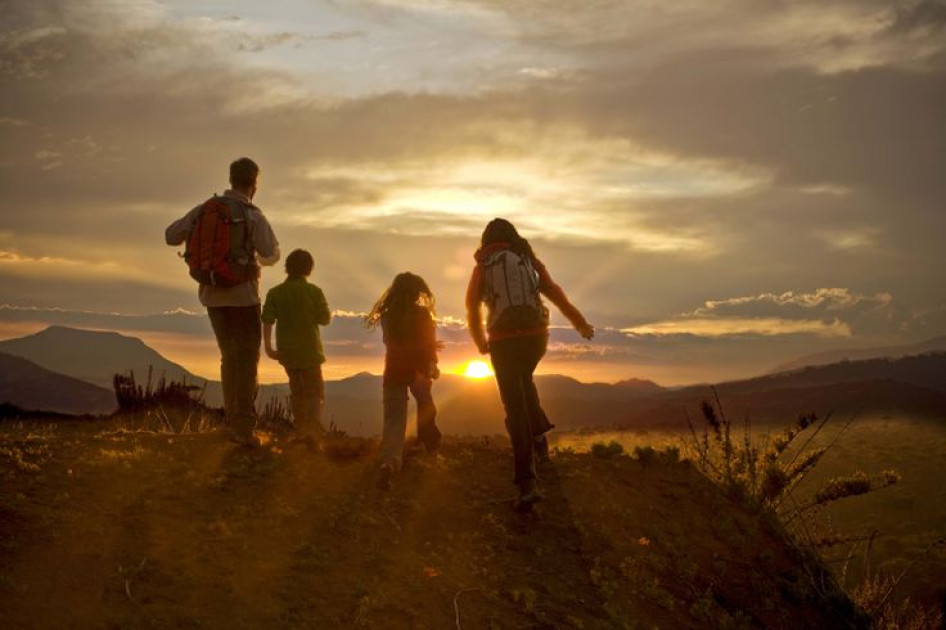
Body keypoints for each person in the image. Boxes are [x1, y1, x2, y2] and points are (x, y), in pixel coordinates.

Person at [465, 218, 594, 511]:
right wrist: (580, 323)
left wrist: (479, 342)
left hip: (504, 340)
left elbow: (471, 307)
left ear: (486, 240)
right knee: (524, 380)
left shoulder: (484, 266)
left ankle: (527, 484)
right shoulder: (528, 260)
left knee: (515, 407)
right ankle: (540, 443)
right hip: (536, 339)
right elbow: (555, 292)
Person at [165, 157, 280, 446]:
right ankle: (243, 428)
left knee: (229, 359)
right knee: (247, 362)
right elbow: (270, 254)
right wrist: (260, 259)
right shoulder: (252, 214)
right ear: (254, 183)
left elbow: (170, 236)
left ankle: (232, 422)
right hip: (244, 298)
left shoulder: (204, 209)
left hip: (212, 297)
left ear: (230, 179)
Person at [365, 272, 442, 490]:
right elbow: (429, 343)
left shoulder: (388, 316)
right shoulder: (423, 315)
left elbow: (389, 341)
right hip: (419, 369)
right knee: (426, 407)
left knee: (393, 420)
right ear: (418, 292)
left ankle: (390, 462)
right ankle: (430, 449)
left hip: (394, 370)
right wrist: (431, 363)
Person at [262, 249, 331, 449]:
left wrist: (268, 348)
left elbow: (267, 320)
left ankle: (301, 430)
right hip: (311, 351)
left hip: (287, 352)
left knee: (297, 391)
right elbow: (324, 319)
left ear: (287, 267)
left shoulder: (275, 293)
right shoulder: (315, 292)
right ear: (309, 269)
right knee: (315, 393)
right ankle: (314, 434)